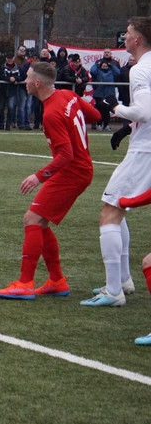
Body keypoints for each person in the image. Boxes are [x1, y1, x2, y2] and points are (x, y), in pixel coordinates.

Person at [0, 62, 101, 299]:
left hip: (72, 172)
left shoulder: (51, 113)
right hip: (77, 169)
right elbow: (95, 115)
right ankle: (56, 281)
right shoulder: (68, 94)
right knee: (40, 221)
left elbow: (66, 155)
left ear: (37, 83)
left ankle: (24, 283)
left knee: (31, 218)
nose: (24, 81)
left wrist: (38, 176)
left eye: (28, 77)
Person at [80, 18, 151, 311]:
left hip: (145, 153)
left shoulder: (140, 69)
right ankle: (122, 280)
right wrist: (127, 129)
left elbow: (144, 111)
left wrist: (115, 108)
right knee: (117, 208)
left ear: (138, 39)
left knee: (110, 210)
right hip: (143, 146)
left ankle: (114, 291)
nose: (124, 38)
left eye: (128, 34)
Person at [89, 51, 120, 131]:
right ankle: (99, 124)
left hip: (109, 94)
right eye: (103, 65)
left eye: (106, 66)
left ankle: (106, 125)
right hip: (99, 94)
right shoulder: (98, 71)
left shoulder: (111, 71)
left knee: (107, 111)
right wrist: (96, 64)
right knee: (99, 110)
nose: (105, 67)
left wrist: (111, 65)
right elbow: (92, 71)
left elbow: (118, 73)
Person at [0, 52, 23, 130]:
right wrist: (9, 79)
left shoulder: (17, 68)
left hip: (12, 91)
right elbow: (0, 76)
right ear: (6, 59)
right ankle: (1, 124)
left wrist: (16, 79)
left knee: (11, 107)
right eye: (8, 58)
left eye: (11, 58)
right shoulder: (2, 67)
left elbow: (22, 77)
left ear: (13, 59)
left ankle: (8, 125)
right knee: (1, 108)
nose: (10, 60)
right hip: (3, 90)